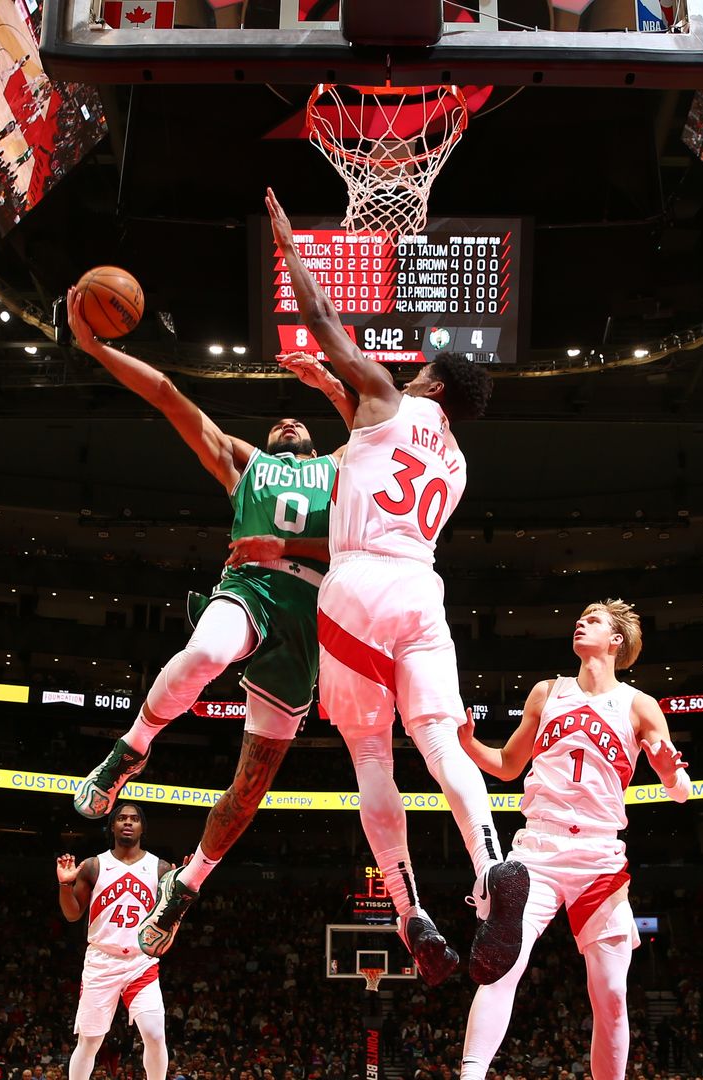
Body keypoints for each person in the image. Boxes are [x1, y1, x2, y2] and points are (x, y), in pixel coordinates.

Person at [266, 188, 523, 986]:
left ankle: (412, 911)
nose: (407, 371)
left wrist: (289, 244)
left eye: (419, 370)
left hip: (357, 588)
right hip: (422, 589)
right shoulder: (458, 459)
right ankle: (492, 864)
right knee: (440, 739)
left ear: (435, 384)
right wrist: (330, 391)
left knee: (370, 751)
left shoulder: (387, 394)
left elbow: (326, 323)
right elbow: (375, 438)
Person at [62, 289, 354, 959]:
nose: (285, 421)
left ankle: (186, 886)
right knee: (205, 652)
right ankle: (129, 750)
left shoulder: (340, 470)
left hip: (310, 621)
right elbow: (168, 395)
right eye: (278, 424)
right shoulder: (242, 465)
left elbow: (374, 431)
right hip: (248, 587)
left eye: (294, 423)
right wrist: (98, 347)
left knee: (251, 785)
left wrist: (332, 381)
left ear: (311, 440)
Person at [454, 600, 691, 1080]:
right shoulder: (547, 693)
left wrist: (670, 773)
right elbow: (507, 765)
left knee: (610, 996)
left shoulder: (639, 705)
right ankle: (470, 1075)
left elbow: (682, 792)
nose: (581, 622)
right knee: (504, 964)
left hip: (600, 859)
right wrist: (467, 744)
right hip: (538, 851)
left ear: (616, 639)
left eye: (594, 619)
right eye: (580, 617)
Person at [55, 805, 171, 1080]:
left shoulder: (160, 868)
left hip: (140, 962)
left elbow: (172, 917)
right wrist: (64, 885)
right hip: (101, 961)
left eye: (134, 819)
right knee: (90, 1040)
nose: (127, 823)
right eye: (121, 818)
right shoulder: (95, 865)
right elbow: (72, 914)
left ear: (143, 828)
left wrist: (184, 886)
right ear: (112, 827)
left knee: (155, 1034)